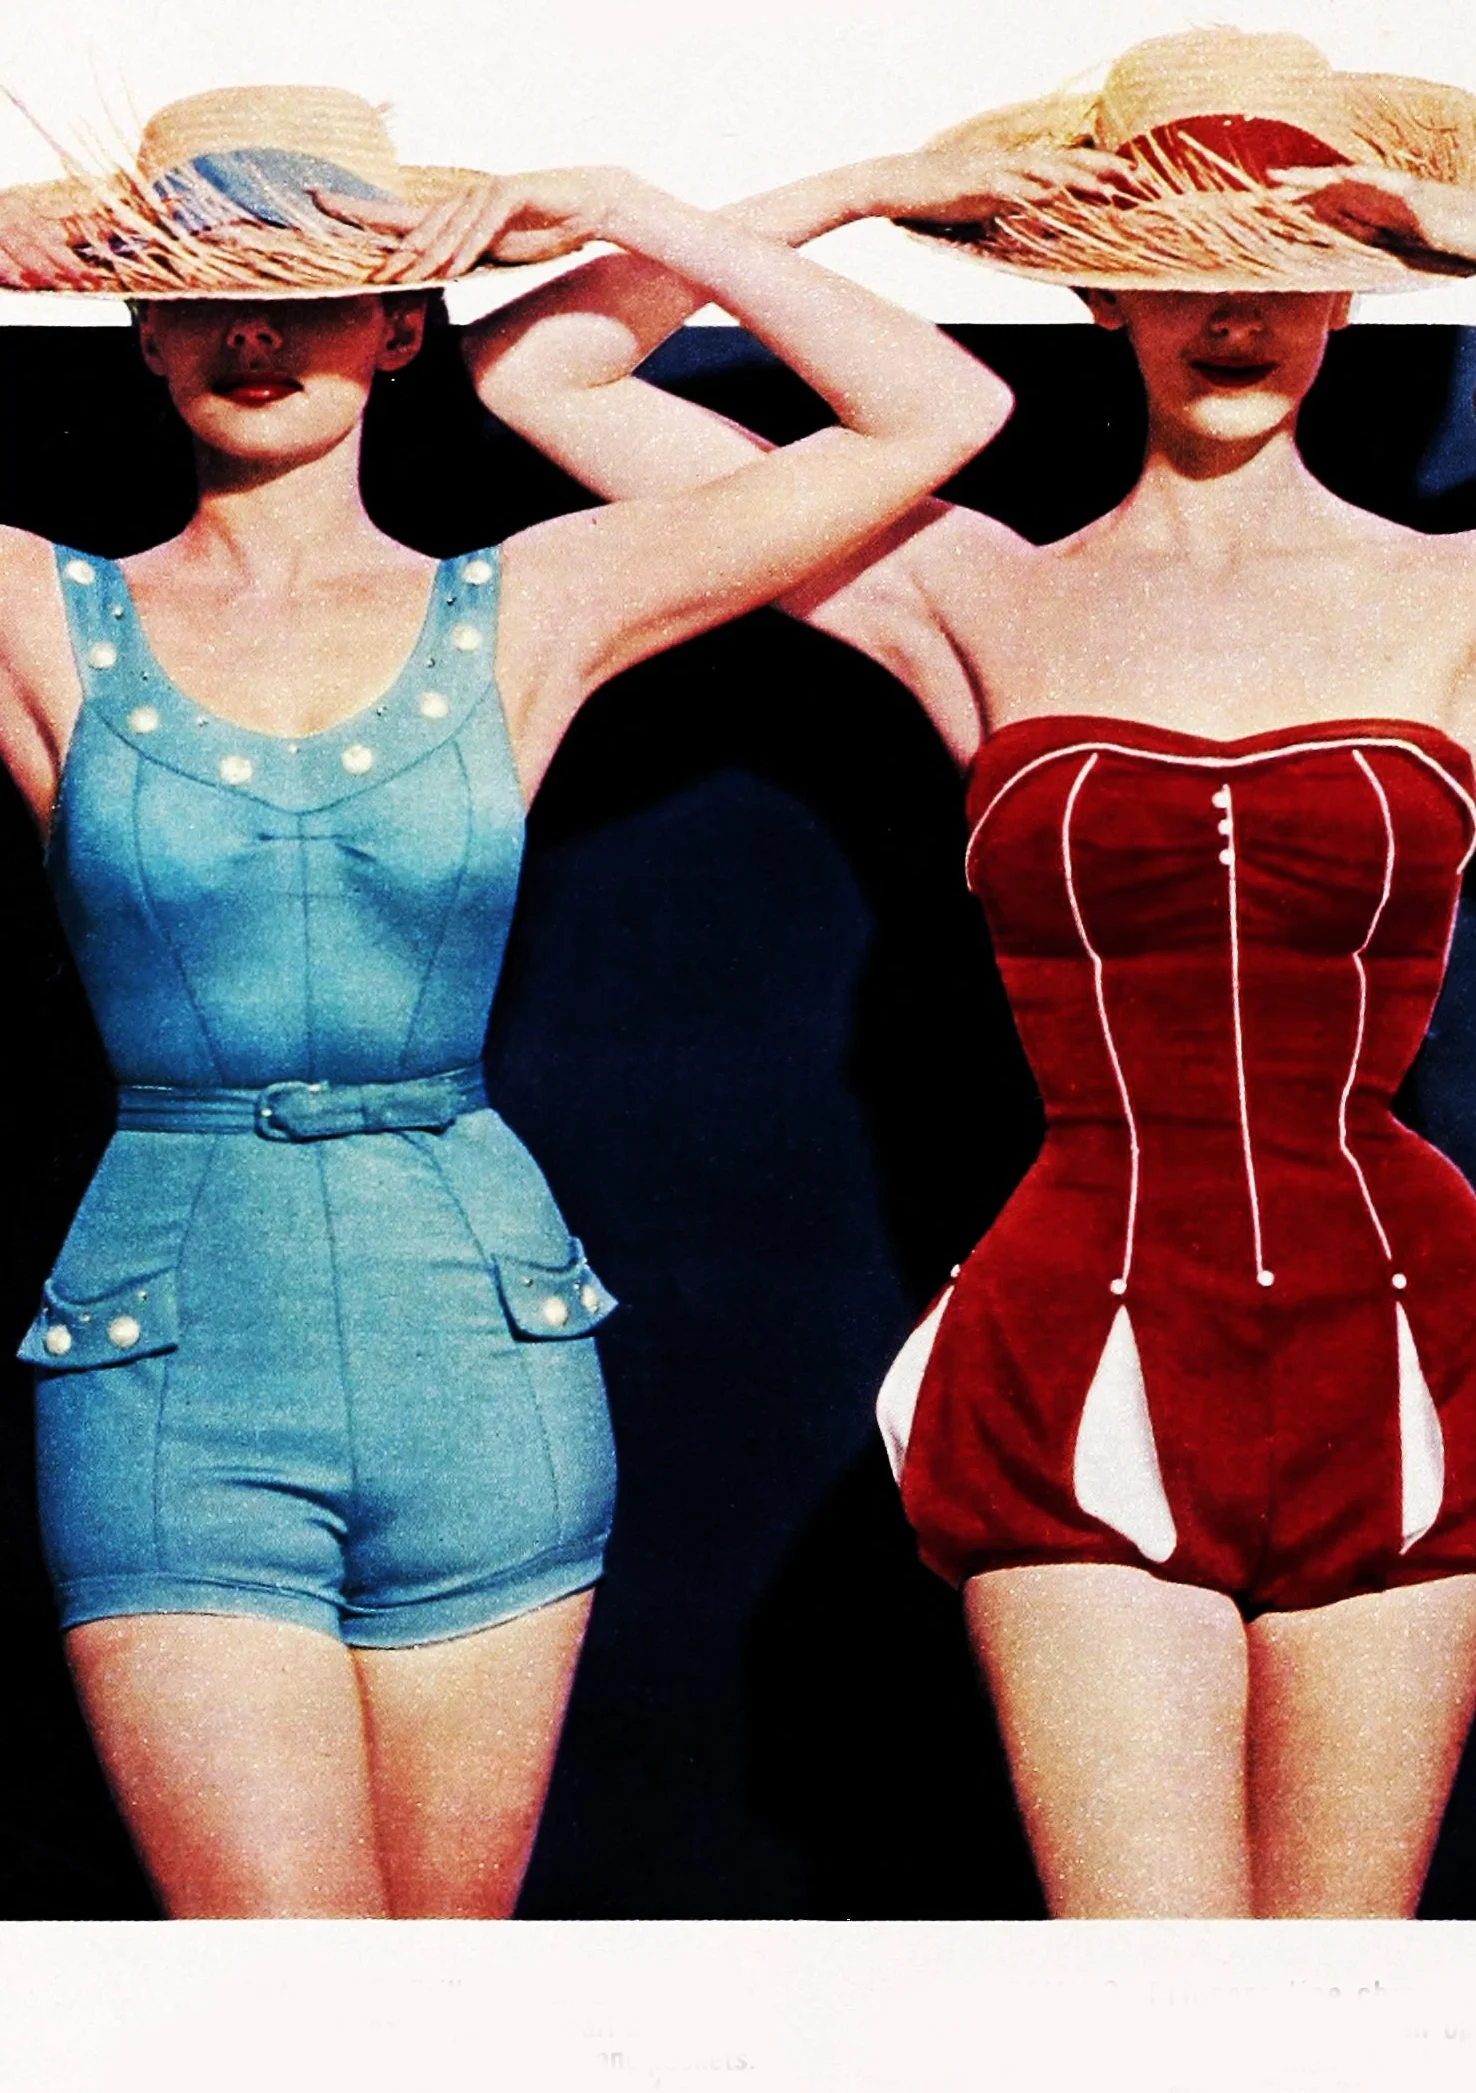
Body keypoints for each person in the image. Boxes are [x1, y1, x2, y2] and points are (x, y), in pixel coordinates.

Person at [466, 26, 1476, 1916]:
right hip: (1078, 1325)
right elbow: (547, 371)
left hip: (1404, 1327)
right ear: (1099, 281)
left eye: (1288, 267)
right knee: (1141, 2000)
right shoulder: (963, 582)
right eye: (1183, 264)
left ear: (1355, 297)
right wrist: (865, 192)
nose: (1236, 314)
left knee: (1338, 1995)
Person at [0, 84, 1010, 1916]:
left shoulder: (530, 604)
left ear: (399, 329)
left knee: (447, 2005)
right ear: (135, 326)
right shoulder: (38, 617)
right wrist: (14, 240)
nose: (255, 331)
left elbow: (945, 411)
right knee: (274, 2013)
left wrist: (672, 197)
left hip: (483, 1343)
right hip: (167, 1355)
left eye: (312, 289)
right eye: (205, 287)